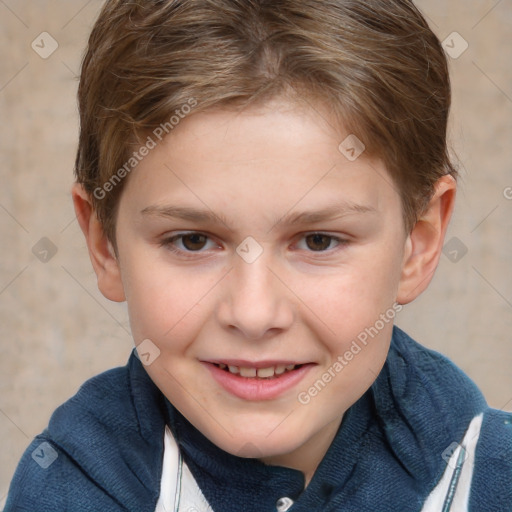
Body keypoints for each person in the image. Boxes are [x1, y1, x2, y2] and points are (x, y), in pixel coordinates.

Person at [5, 0, 511, 511]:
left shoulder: (491, 475)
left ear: (417, 244)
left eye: (318, 240)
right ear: (104, 245)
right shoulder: (68, 487)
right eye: (193, 240)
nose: (253, 314)